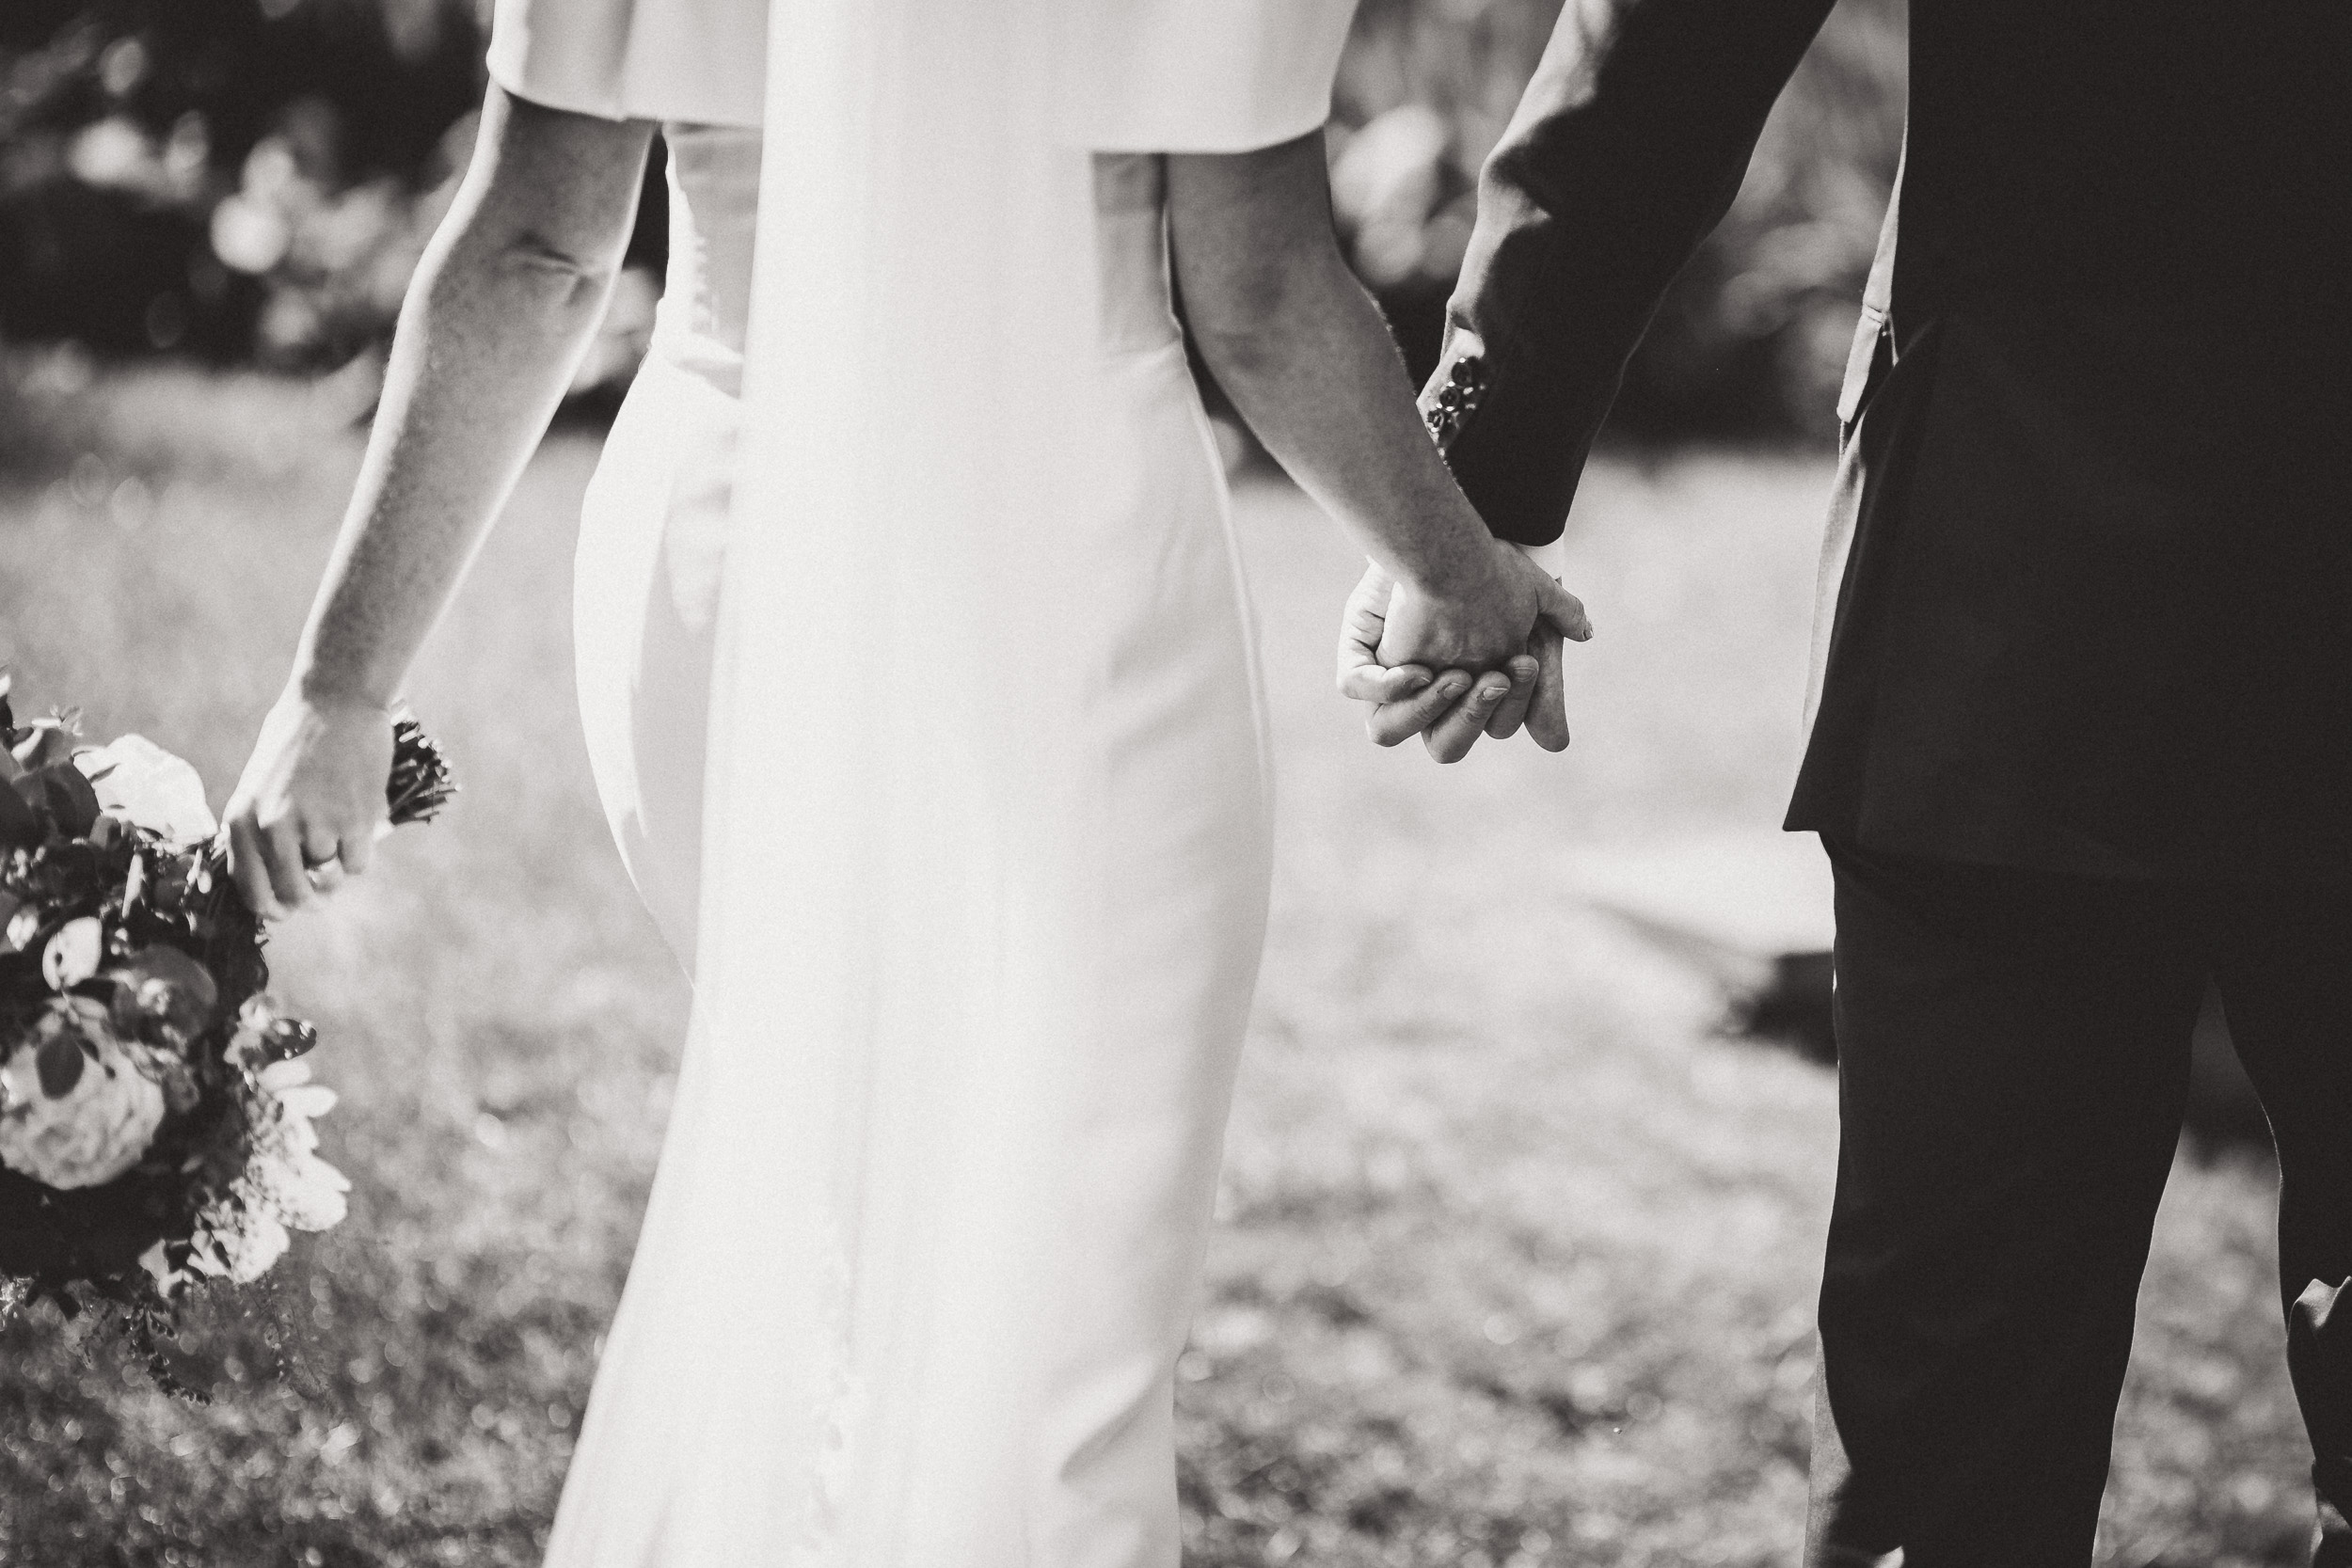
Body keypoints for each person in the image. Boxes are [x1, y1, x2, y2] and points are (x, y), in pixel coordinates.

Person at [220, 0, 1583, 1558]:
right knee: (1064, 1290)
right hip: (1076, 559)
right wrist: (1457, 572)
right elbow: (1259, 290)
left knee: (849, 1249)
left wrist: (341, 686)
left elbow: (537, 247)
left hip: (728, 543)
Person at [1344, 0, 2352, 1561]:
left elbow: (1667, 41)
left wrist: (1469, 493)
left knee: (1961, 1430)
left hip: (2016, 572)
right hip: (2023, 596)